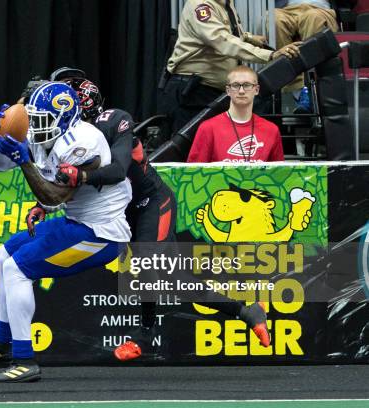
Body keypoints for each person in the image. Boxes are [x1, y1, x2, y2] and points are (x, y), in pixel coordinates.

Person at [50, 69, 271, 362]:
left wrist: (78, 175)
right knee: (177, 280)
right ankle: (245, 309)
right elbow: (62, 182)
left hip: (150, 202)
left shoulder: (114, 120)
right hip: (121, 212)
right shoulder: (68, 135)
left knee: (145, 262)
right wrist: (45, 204)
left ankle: (145, 334)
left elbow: (116, 172)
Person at [0, 82, 132, 382]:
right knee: (4, 254)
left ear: (65, 116)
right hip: (78, 221)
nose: (34, 127)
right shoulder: (47, 132)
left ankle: (24, 360)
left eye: (41, 120)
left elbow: (53, 197)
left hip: (102, 233)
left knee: (17, 269)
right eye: (32, 118)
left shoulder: (85, 141)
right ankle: (2, 344)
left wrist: (25, 160)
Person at [161, 0, 301, 134]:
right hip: (193, 92)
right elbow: (221, 40)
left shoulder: (225, 3)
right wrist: (270, 55)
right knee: (188, 151)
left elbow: (228, 31)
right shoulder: (201, 5)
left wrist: (248, 37)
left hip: (210, 91)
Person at [187, 65, 284, 163]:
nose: (241, 91)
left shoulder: (271, 130)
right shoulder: (208, 128)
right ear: (228, 90)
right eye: (236, 85)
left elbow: (278, 175)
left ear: (257, 90)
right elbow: (194, 174)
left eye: (247, 85)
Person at [274, 0, 338, 110]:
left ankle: (312, 88)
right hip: (287, 10)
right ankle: (298, 91)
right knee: (274, 19)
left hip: (319, 9)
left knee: (313, 17)